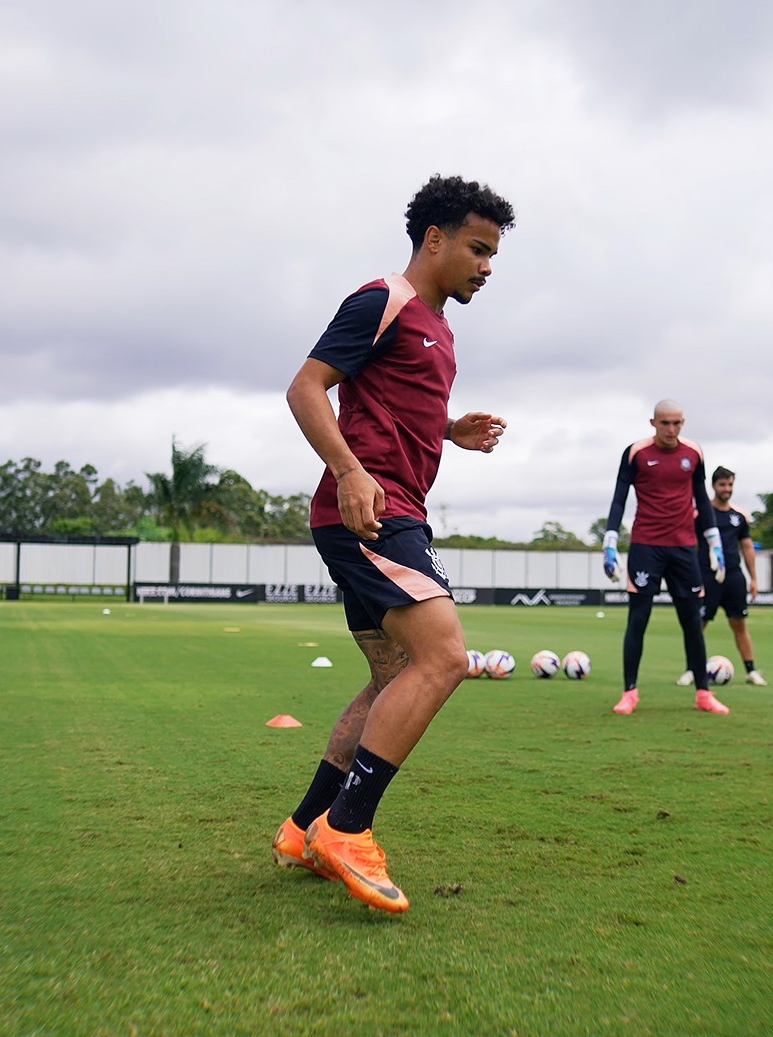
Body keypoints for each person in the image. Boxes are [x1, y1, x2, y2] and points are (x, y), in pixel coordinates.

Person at [272, 175, 515, 914]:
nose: (485, 265)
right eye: (476, 248)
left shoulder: (439, 328)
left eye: (493, 254)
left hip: (397, 508)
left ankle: (303, 825)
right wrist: (347, 471)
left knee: (392, 675)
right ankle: (348, 828)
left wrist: (448, 431)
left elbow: (387, 401)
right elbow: (307, 386)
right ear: (433, 239)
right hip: (372, 512)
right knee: (443, 656)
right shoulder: (383, 299)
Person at [603, 400, 729, 715]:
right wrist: (610, 540)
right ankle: (629, 693)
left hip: (685, 548)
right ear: (653, 423)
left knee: (691, 622)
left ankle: (703, 693)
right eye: (665, 424)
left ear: (683, 422)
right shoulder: (636, 453)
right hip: (646, 546)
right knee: (638, 621)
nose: (671, 430)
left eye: (677, 423)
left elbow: (701, 497)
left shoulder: (694, 453)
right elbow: (619, 498)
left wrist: (714, 543)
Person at [677, 466, 769, 687]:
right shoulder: (700, 513)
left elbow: (747, 547)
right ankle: (691, 670)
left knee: (739, 624)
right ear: (714, 486)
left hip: (734, 578)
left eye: (730, 485)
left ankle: (751, 670)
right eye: (722, 485)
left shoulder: (739, 516)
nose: (726, 489)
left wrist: (754, 578)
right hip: (706, 577)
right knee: (699, 624)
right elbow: (687, 542)